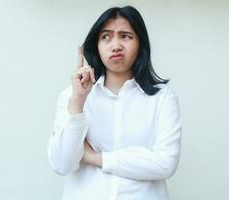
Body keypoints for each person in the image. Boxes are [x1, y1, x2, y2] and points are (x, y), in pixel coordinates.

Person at [47, 5, 181, 200]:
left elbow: (166, 163)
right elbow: (62, 164)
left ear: (140, 44)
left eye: (125, 36)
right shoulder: (72, 95)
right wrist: (78, 100)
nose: (116, 45)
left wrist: (95, 158)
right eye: (106, 37)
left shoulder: (163, 97)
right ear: (97, 46)